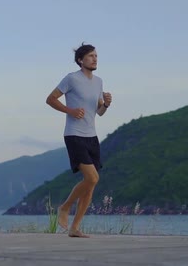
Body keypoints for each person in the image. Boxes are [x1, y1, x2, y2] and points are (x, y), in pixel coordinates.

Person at [45, 42, 112, 238]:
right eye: (91, 56)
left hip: (92, 136)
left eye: (96, 56)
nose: (95, 59)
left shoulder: (99, 82)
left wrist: (106, 104)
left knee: (90, 184)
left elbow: (99, 112)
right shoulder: (71, 79)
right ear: (80, 60)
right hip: (74, 134)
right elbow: (50, 99)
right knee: (92, 178)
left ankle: (75, 228)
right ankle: (64, 207)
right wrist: (70, 111)